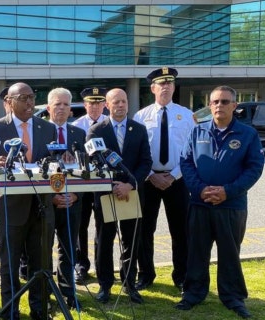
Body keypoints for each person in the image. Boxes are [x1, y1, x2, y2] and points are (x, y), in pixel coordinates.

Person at [176, 86, 264, 319]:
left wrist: (228, 191)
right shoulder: (198, 131)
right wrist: (200, 189)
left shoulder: (247, 134)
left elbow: (254, 168)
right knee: (196, 252)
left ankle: (233, 297)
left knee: (230, 253)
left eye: (225, 102)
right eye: (215, 102)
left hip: (231, 205)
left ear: (234, 106)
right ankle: (193, 293)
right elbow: (186, 162)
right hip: (200, 204)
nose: (219, 106)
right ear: (209, 105)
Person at [0, 82, 57, 320]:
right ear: (9, 102)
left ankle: (39, 311)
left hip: (42, 207)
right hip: (10, 210)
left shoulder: (47, 128)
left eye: (32, 97)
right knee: (9, 266)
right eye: (23, 98)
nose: (30, 102)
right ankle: (11, 312)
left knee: (41, 264)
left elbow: (54, 160)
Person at [87, 88, 152, 305]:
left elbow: (146, 163)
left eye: (124, 101)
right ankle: (105, 285)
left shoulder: (139, 129)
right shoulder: (96, 131)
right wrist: (114, 185)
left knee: (131, 241)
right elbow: (94, 162)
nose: (121, 105)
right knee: (104, 241)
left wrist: (130, 184)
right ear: (107, 104)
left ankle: (129, 283)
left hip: (131, 194)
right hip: (106, 194)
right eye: (116, 102)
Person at [133, 67, 195, 292]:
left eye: (170, 83)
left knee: (180, 231)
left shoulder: (187, 115)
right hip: (148, 181)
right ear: (153, 88)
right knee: (144, 230)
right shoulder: (141, 116)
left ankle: (181, 276)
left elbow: (192, 151)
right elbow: (136, 152)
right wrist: (151, 175)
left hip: (177, 180)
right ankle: (146, 274)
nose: (166, 86)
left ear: (174, 87)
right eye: (161, 83)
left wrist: (173, 175)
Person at [46, 88, 86, 310]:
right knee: (44, 250)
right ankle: (47, 294)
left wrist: (76, 194)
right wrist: (52, 197)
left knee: (69, 250)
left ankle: (69, 294)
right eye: (56, 104)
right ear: (49, 107)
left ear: (71, 109)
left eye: (65, 104)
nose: (61, 108)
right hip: (47, 204)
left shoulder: (79, 134)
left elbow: (86, 171)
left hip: (72, 202)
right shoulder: (39, 132)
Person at [70, 87, 108, 284]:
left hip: (103, 183)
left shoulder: (110, 125)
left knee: (103, 225)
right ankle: (81, 265)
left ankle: (103, 266)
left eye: (98, 102)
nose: (95, 106)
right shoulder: (76, 126)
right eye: (91, 103)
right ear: (85, 105)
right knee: (80, 226)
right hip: (83, 184)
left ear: (104, 104)